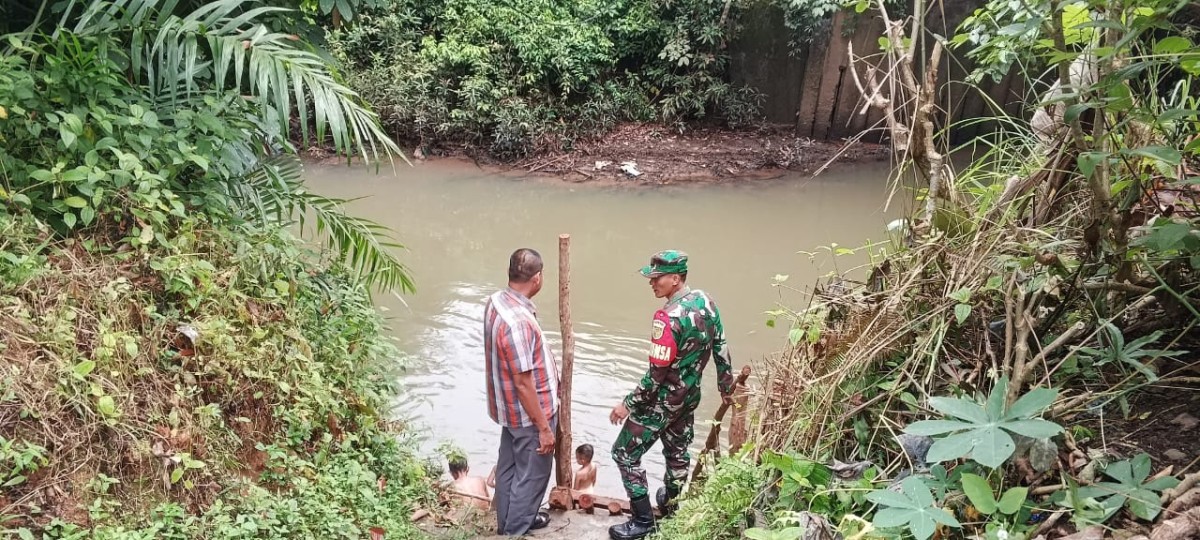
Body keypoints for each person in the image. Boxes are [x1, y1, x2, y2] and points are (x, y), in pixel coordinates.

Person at [608, 250, 735, 540]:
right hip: (688, 397)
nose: (652, 283)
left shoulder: (666, 318)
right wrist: (725, 385)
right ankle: (671, 503)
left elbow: (656, 375)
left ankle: (643, 521)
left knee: (624, 453)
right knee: (677, 453)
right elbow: (721, 345)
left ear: (676, 279)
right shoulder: (706, 301)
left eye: (658, 278)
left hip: (661, 403)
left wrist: (627, 404)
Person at [484, 248, 560, 536]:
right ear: (537, 278)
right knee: (532, 476)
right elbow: (523, 383)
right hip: (529, 415)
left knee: (509, 468)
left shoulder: (496, 301)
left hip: (508, 409)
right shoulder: (518, 323)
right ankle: (515, 530)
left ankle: (509, 523)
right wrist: (544, 428)